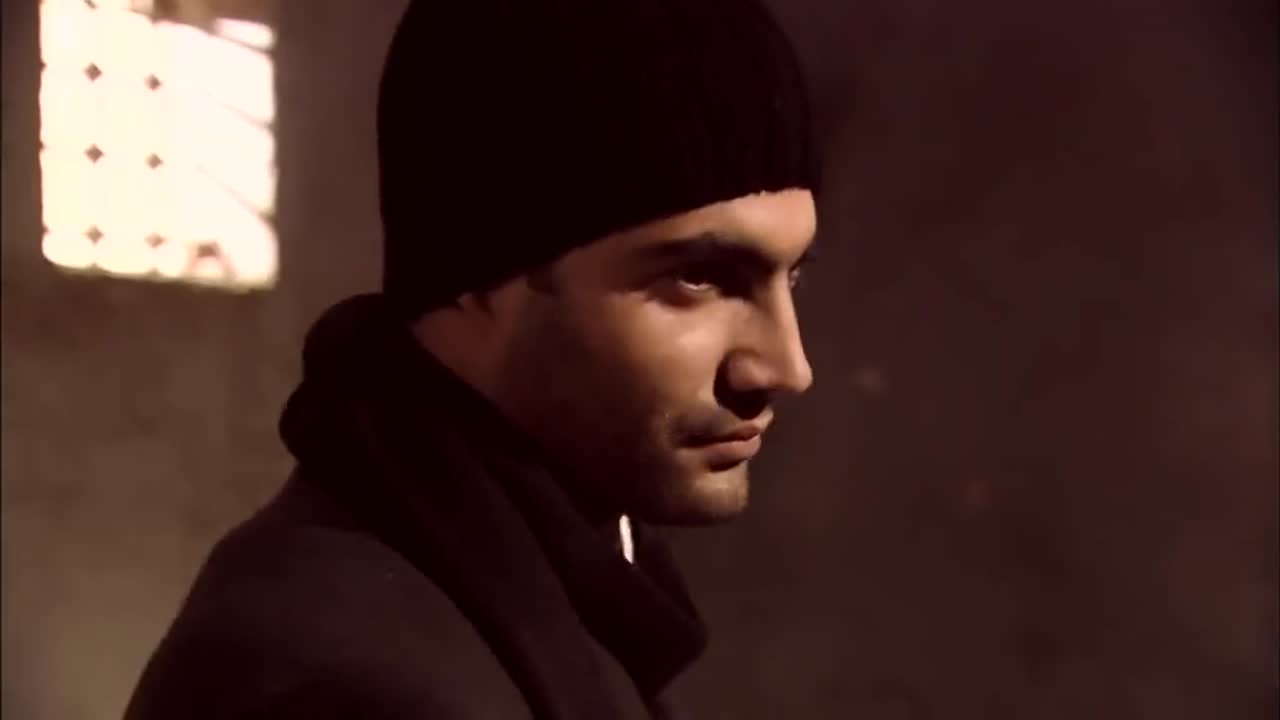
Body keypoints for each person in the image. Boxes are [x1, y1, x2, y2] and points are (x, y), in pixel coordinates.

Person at [123, 0, 819, 717]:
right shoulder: (348, 684)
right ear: (473, 278)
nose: (785, 366)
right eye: (699, 278)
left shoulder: (553, 586)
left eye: (792, 276)